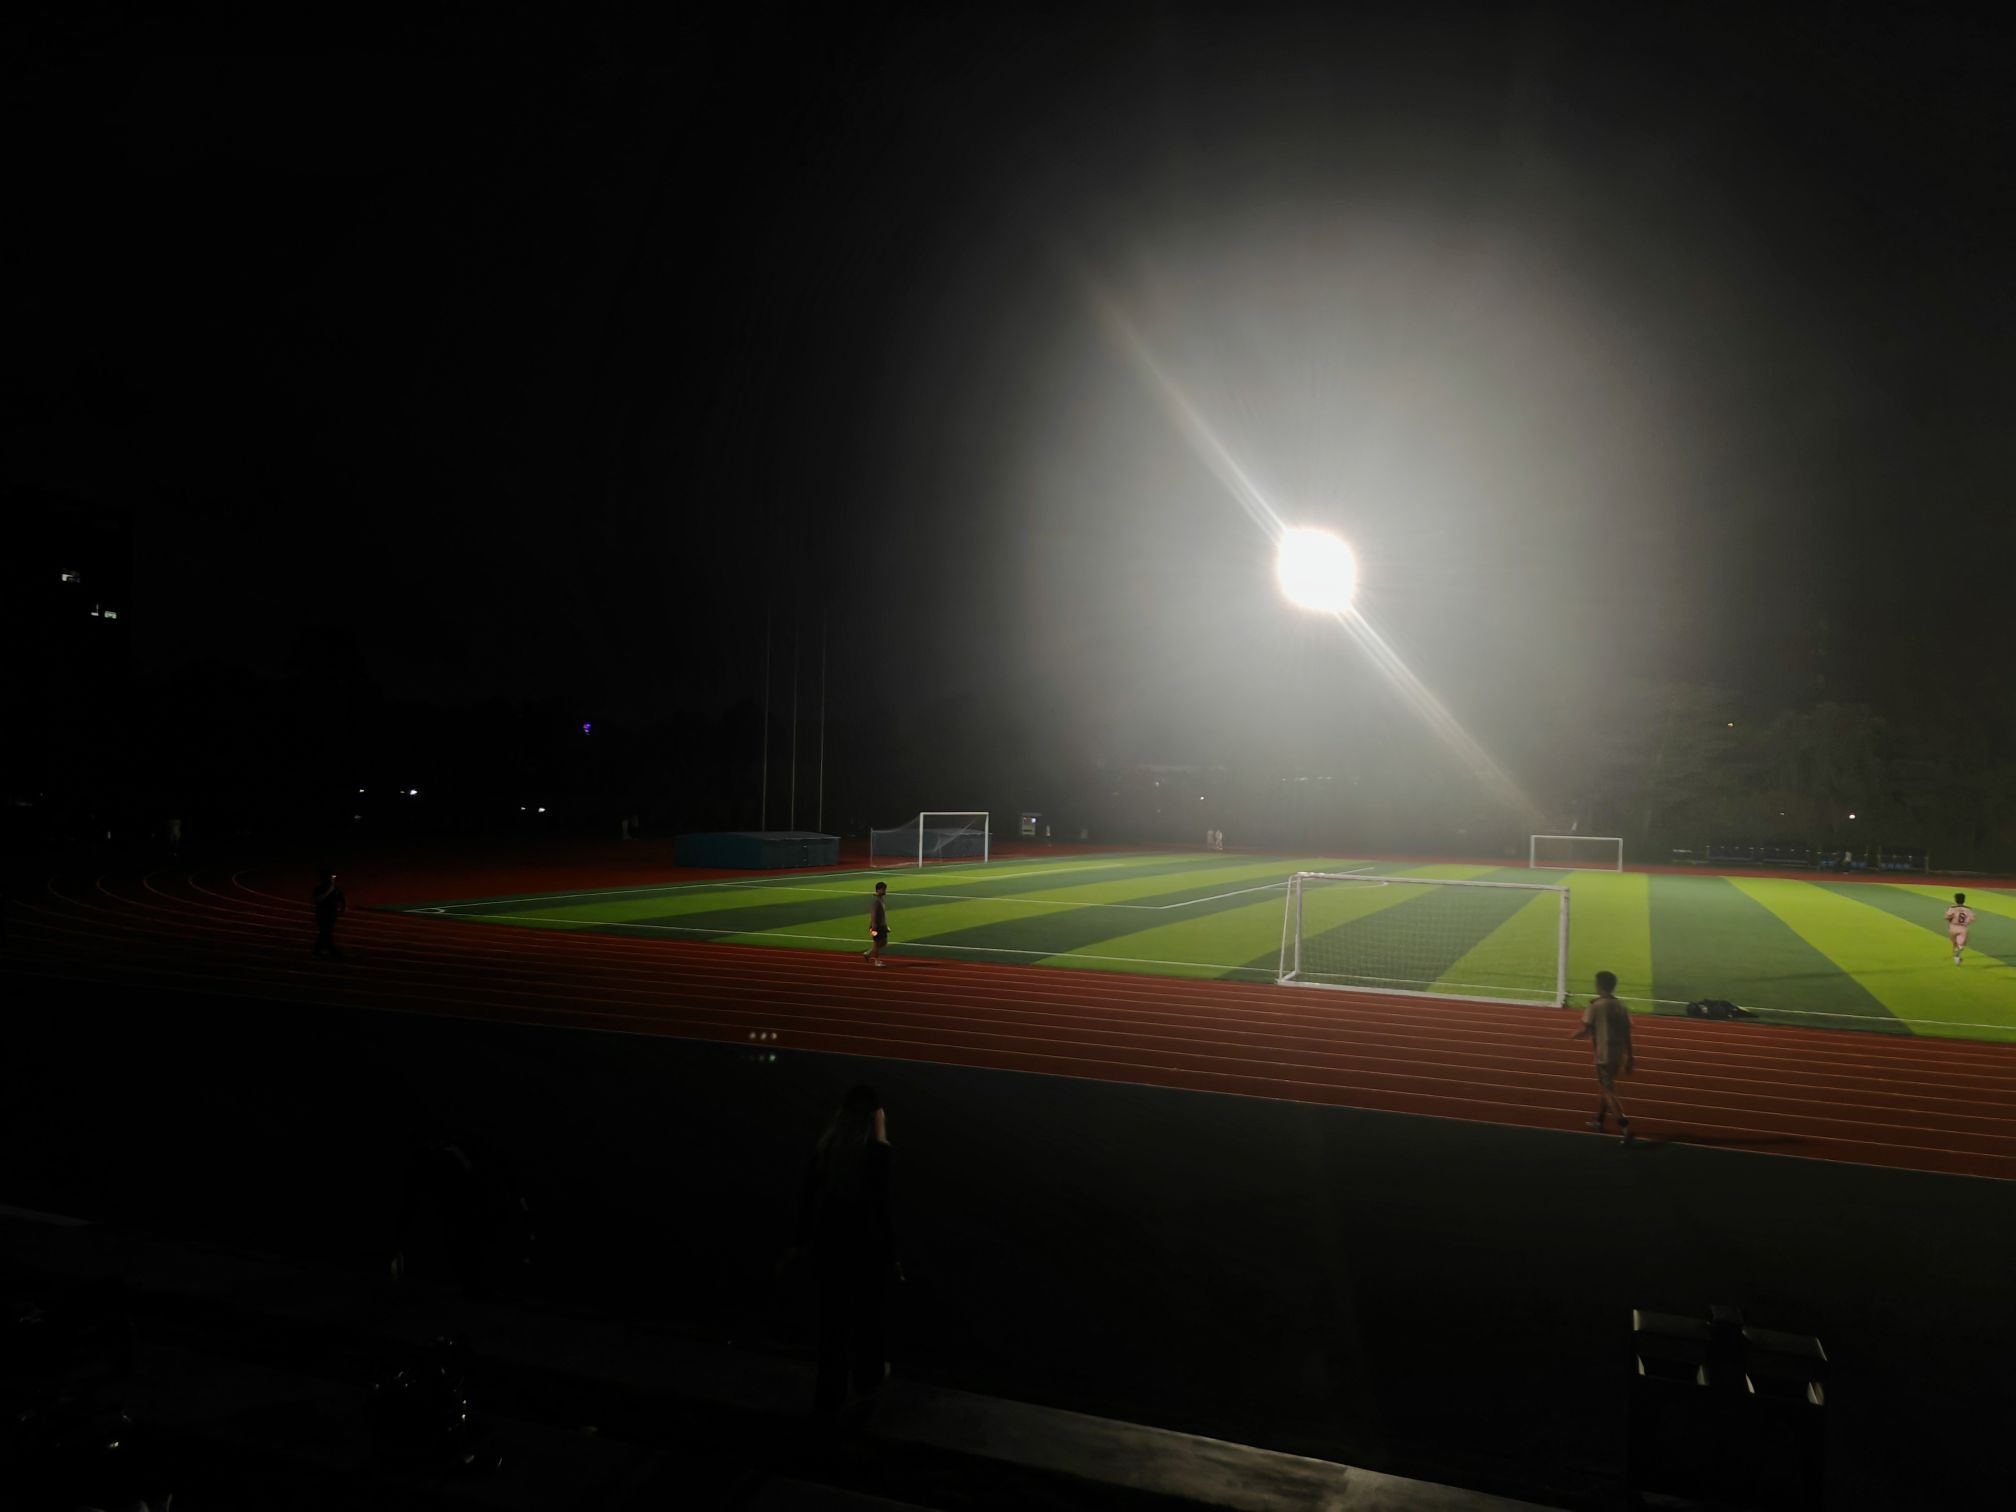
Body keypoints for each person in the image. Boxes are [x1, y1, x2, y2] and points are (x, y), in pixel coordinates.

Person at [796, 1084, 902, 1414]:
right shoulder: (878, 1154)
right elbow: (881, 1210)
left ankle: (829, 1395)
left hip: (829, 1244)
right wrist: (892, 1257)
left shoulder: (827, 1148)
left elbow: (807, 1199)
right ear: (875, 1119)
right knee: (869, 1317)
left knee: (833, 1323)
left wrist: (798, 1243)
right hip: (864, 1248)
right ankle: (867, 1381)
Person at [1573, 969, 1635, 1145]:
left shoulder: (1595, 1005)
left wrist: (1572, 1035)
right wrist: (1630, 1057)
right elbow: (1627, 1033)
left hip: (1603, 1054)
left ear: (1599, 985)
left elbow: (1585, 1027)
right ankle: (1599, 1120)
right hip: (1617, 1054)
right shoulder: (1621, 1006)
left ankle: (1625, 1128)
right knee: (1606, 1087)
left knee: (1608, 1091)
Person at [311, 869, 348, 959]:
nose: (333, 879)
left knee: (325, 933)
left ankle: (318, 951)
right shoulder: (320, 889)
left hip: (332, 914)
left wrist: (343, 907)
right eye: (331, 877)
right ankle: (332, 951)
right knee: (325, 932)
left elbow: (342, 898)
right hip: (322, 914)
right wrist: (329, 891)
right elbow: (318, 899)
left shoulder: (336, 889)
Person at [862, 881, 889, 967]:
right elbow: (873, 914)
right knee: (877, 943)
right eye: (884, 889)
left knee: (884, 942)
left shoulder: (880, 899)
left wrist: (885, 925)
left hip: (882, 925)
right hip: (876, 926)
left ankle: (868, 953)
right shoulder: (876, 901)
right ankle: (877, 961)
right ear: (878, 890)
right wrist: (874, 926)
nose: (885, 891)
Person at [1945, 892, 1976, 967]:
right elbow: (1972, 919)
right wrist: (1966, 922)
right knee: (1961, 945)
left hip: (1952, 927)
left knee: (1955, 944)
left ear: (1955, 900)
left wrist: (1951, 918)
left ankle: (1957, 955)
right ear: (1964, 900)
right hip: (1963, 928)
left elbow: (1947, 917)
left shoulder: (1952, 908)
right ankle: (1957, 956)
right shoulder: (1968, 909)